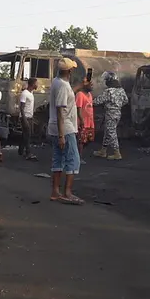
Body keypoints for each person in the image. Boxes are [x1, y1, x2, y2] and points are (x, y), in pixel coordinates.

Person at [48, 58, 83, 205]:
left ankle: (56, 192)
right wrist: (62, 135)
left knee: (59, 159)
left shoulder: (57, 82)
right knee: (73, 160)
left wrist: (79, 87)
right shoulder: (62, 85)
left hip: (56, 127)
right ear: (69, 71)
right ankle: (67, 193)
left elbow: (66, 97)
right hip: (65, 128)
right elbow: (61, 111)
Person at [93, 72, 129, 160]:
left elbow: (97, 101)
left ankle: (117, 153)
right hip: (118, 113)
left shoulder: (108, 91)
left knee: (111, 132)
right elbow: (126, 101)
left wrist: (89, 102)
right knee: (108, 131)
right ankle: (103, 150)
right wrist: (117, 105)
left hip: (110, 113)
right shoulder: (121, 90)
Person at [76, 78, 95, 162]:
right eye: (90, 85)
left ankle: (78, 155)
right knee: (81, 141)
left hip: (90, 121)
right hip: (83, 121)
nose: (92, 86)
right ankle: (78, 157)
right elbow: (78, 109)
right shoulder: (80, 94)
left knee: (88, 140)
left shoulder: (89, 94)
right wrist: (81, 120)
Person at [19, 78, 38, 160]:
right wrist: (25, 120)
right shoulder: (25, 93)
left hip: (29, 117)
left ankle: (20, 150)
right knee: (28, 135)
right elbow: (21, 107)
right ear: (32, 84)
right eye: (36, 83)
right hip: (25, 117)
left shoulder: (31, 93)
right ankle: (28, 153)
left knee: (25, 134)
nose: (37, 85)